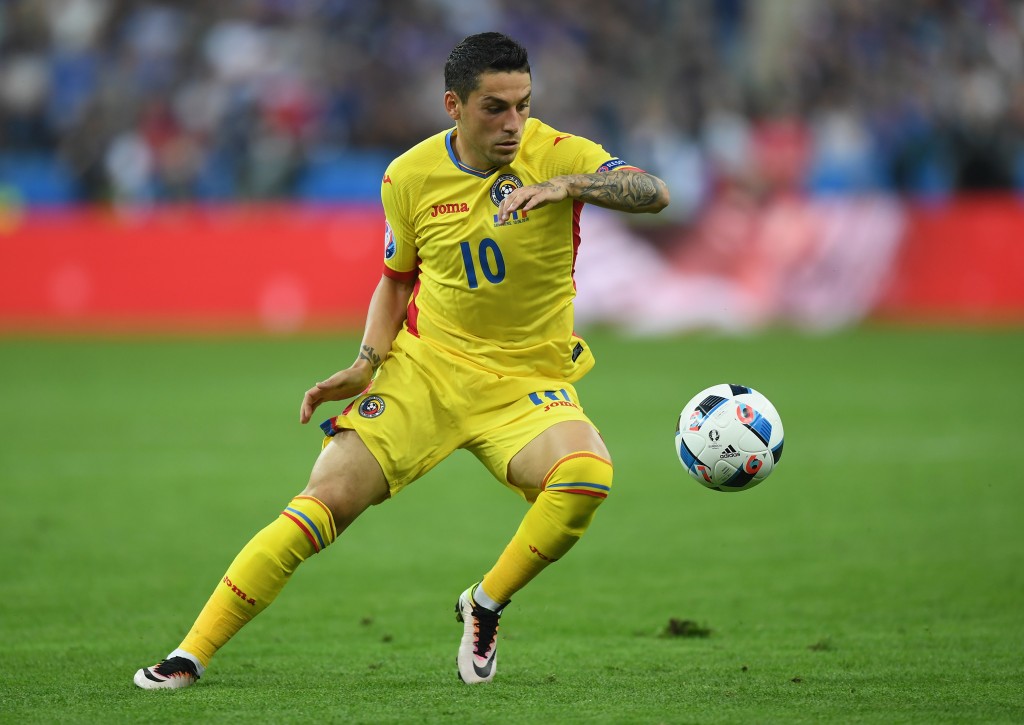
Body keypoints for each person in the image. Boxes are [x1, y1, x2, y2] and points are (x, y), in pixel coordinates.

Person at [134, 31, 669, 689]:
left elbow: (653, 191)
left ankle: (486, 603)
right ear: (454, 106)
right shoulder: (409, 176)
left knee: (585, 477)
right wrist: (366, 362)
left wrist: (569, 185)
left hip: (527, 380)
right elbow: (395, 281)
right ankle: (189, 653)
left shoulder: (559, 154)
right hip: (427, 372)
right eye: (495, 107)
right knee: (322, 501)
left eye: (523, 105)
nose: (513, 123)